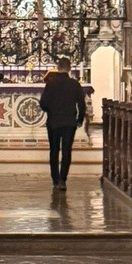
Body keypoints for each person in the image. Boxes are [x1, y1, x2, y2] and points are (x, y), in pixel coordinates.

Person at [39, 57, 86, 191]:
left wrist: (51, 111)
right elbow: (81, 104)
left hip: (53, 121)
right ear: (69, 68)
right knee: (66, 151)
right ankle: (62, 180)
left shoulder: (51, 83)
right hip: (69, 122)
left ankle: (55, 178)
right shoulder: (74, 84)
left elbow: (43, 103)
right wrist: (79, 119)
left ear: (57, 68)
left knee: (54, 150)